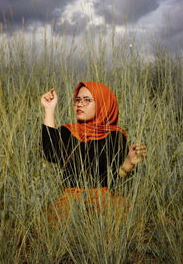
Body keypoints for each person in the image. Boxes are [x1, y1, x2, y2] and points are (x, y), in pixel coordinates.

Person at [41, 82, 147, 224]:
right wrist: (49, 109)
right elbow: (49, 153)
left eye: (87, 100)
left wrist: (128, 163)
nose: (80, 104)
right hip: (70, 201)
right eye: (77, 100)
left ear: (103, 103)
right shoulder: (67, 131)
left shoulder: (115, 135)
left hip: (105, 200)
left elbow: (114, 180)